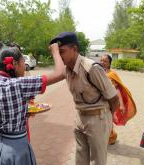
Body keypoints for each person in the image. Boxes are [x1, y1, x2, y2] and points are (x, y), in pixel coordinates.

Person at [0, 45, 64, 164]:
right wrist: (55, 51)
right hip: (17, 147)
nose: (25, 68)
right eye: (23, 62)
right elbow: (61, 73)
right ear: (15, 64)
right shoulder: (19, 84)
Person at [49, 32, 119, 165]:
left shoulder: (91, 69)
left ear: (74, 49)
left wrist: (107, 120)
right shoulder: (67, 70)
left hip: (98, 119)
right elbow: (49, 78)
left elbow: (114, 98)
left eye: (62, 52)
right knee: (80, 159)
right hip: (80, 118)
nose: (59, 56)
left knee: (97, 161)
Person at [100, 54, 137, 144]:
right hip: (99, 102)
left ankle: (110, 137)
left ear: (109, 63)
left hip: (109, 103)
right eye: (101, 60)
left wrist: (121, 105)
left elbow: (117, 90)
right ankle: (108, 137)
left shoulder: (112, 74)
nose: (102, 62)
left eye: (105, 61)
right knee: (103, 120)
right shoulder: (99, 72)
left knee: (108, 120)